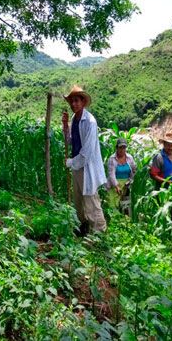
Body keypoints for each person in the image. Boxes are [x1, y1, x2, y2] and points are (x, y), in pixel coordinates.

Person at [62, 85, 107, 235]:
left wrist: (70, 163)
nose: (74, 104)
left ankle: (100, 234)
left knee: (91, 203)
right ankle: (84, 231)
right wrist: (65, 126)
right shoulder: (75, 119)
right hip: (77, 166)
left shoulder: (89, 122)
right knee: (79, 201)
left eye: (76, 101)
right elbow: (70, 142)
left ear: (82, 102)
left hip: (87, 168)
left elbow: (86, 154)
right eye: (72, 101)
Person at [106, 138, 136, 214]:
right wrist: (117, 186)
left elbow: (133, 171)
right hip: (113, 186)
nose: (122, 150)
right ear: (116, 148)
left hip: (125, 186)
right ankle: (114, 223)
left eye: (124, 148)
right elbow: (111, 174)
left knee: (125, 206)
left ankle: (125, 223)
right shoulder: (112, 159)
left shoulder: (130, 158)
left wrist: (130, 181)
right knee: (112, 206)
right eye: (120, 148)